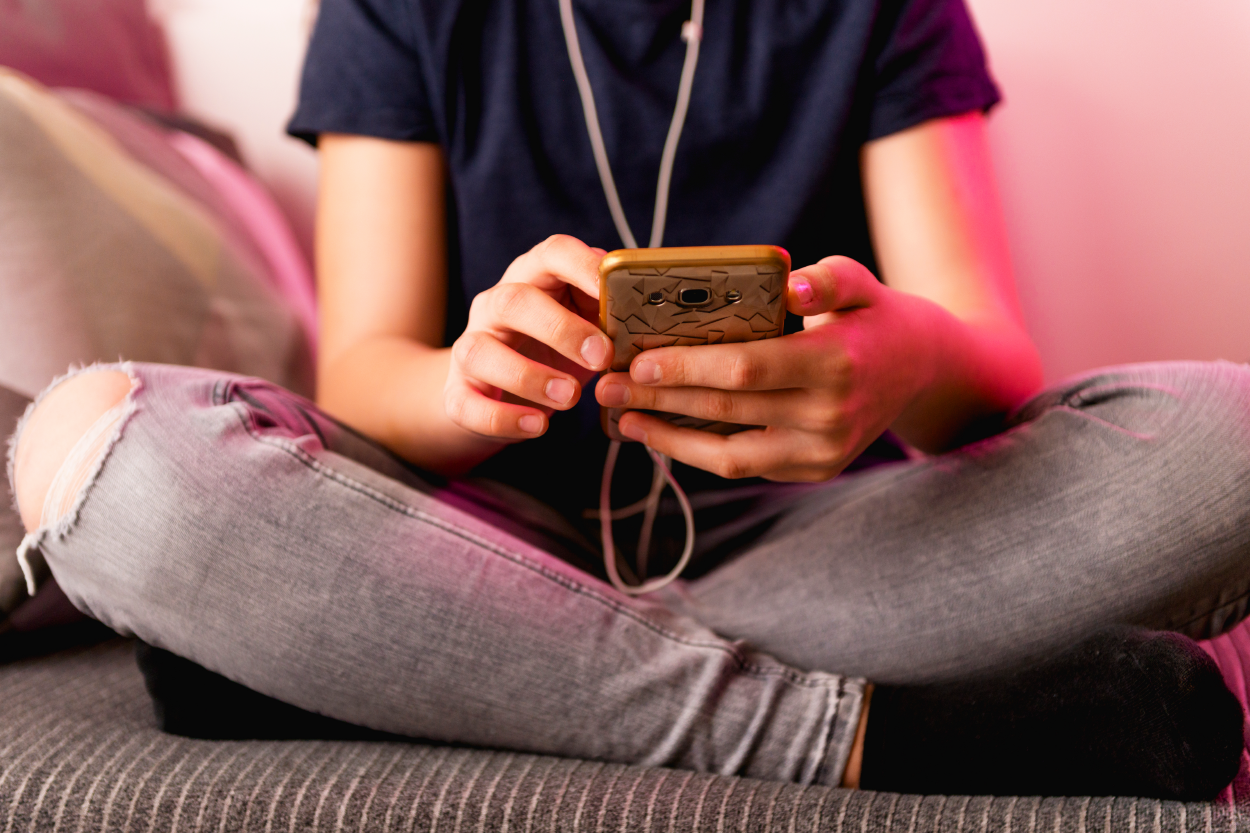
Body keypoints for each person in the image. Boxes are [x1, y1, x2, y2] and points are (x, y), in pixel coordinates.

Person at [8, 0, 1250, 801]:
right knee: (93, 445)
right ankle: (869, 735)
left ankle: (417, 669)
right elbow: (366, 376)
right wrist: (461, 380)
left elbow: (985, 358)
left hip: (817, 544)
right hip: (473, 535)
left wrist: (904, 363)